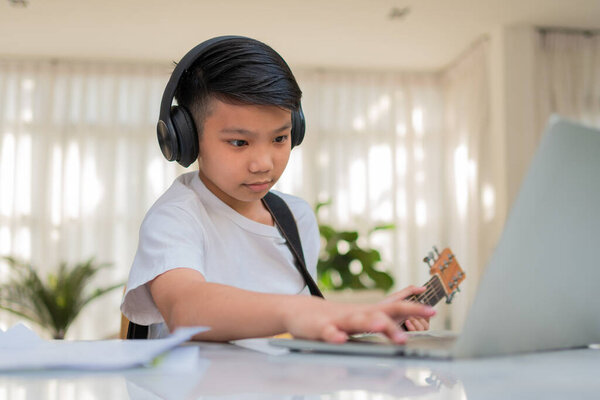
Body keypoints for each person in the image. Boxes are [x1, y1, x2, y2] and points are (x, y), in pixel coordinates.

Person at [121, 36, 434, 342]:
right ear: (185, 139)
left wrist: (365, 321)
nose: (263, 163)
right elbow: (186, 308)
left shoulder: (295, 217)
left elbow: (284, 336)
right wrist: (297, 310)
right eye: (239, 142)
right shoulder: (175, 217)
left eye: (280, 138)